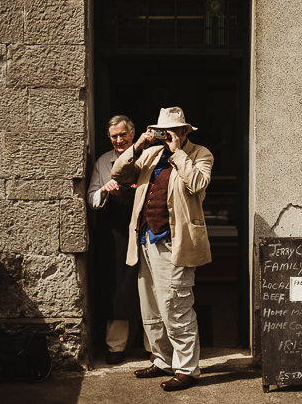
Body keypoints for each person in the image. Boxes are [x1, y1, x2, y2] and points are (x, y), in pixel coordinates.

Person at [111, 106, 213, 391]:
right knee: (151, 306)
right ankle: (163, 360)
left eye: (172, 131)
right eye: (162, 131)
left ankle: (188, 370)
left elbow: (197, 184)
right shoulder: (152, 154)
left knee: (176, 307)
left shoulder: (200, 155)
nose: (167, 136)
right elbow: (119, 174)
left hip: (175, 243)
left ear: (183, 132)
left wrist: (178, 152)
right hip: (145, 240)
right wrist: (138, 145)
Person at [87, 115, 144, 364]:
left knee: (147, 285)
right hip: (115, 233)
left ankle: (153, 347)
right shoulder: (103, 162)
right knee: (117, 287)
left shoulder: (147, 157)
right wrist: (103, 190)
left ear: (133, 134)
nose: (119, 140)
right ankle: (116, 347)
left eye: (123, 135)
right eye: (114, 136)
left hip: (145, 228)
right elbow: (91, 200)